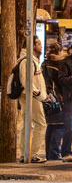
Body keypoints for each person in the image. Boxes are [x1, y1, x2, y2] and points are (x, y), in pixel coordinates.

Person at [18, 35, 48, 163]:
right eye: (39, 43)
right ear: (32, 46)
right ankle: (32, 154)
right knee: (41, 124)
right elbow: (27, 80)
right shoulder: (28, 61)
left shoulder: (31, 60)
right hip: (30, 96)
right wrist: (37, 93)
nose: (41, 46)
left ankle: (25, 154)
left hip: (29, 96)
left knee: (27, 124)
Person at [42, 42, 65, 161]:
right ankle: (54, 154)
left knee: (50, 126)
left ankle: (49, 154)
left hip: (47, 97)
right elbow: (61, 82)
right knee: (59, 126)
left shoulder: (45, 63)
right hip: (57, 98)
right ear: (59, 51)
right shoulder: (59, 64)